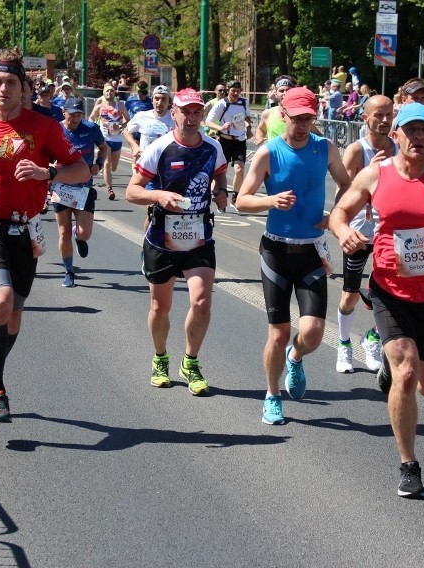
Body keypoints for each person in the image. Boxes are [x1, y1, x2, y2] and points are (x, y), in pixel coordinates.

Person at [328, 102, 424, 498]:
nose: (417, 137)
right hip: (389, 291)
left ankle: (388, 377)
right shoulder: (375, 175)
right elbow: (339, 212)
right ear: (395, 134)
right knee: (407, 373)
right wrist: (343, 232)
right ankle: (408, 464)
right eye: (409, 130)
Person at [0, 48, 90, 422]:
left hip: (25, 228)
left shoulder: (43, 126)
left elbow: (82, 170)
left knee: (14, 315)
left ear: (23, 87)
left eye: (11, 82)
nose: (4, 88)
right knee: (2, 300)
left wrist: (48, 174)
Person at [235, 87, 351, 425]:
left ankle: (296, 357)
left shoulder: (325, 148)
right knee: (278, 333)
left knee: (313, 331)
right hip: (276, 251)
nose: (302, 125)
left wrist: (336, 215)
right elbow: (242, 200)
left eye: (308, 119)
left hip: (313, 250)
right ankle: (272, 395)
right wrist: (271, 201)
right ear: (283, 114)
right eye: (296, 118)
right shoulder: (269, 153)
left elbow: (348, 184)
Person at [125, 88, 228, 396]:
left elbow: (220, 175)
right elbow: (132, 190)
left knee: (202, 301)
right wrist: (157, 195)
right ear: (174, 113)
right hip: (162, 238)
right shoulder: (160, 147)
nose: (192, 117)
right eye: (186, 111)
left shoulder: (212, 148)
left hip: (199, 236)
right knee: (161, 306)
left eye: (197, 112)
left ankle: (191, 362)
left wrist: (220, 192)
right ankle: (160, 358)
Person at [334, 95, 395, 374]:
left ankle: (371, 337)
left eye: (388, 115)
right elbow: (343, 192)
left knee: (393, 296)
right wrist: (341, 227)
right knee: (350, 296)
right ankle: (344, 345)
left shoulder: (398, 147)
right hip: (359, 232)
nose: (384, 120)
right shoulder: (357, 151)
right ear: (365, 118)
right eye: (378, 115)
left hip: (388, 233)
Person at [51, 97, 109, 288]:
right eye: (71, 115)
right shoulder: (55, 129)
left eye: (79, 115)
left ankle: (79, 236)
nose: (75, 119)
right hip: (61, 186)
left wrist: (98, 165)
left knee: (85, 233)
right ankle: (69, 271)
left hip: (84, 187)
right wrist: (51, 165)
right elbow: (43, 154)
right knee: (63, 231)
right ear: (63, 113)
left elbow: (103, 148)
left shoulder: (91, 128)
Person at [205, 80, 251, 208]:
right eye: (233, 91)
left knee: (240, 169)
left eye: (238, 91)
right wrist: (220, 127)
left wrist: (247, 127)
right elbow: (209, 121)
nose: (235, 93)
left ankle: (235, 196)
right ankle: (220, 194)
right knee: (221, 172)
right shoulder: (222, 104)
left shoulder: (244, 102)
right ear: (228, 91)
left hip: (240, 140)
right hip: (225, 141)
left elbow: (247, 118)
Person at [89, 83, 129, 200]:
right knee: (106, 164)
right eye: (107, 91)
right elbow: (91, 117)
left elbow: (128, 119)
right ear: (103, 93)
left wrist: (120, 127)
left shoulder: (120, 105)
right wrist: (95, 127)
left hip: (116, 139)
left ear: (114, 93)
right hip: (104, 138)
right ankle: (109, 189)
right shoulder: (99, 107)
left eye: (111, 91)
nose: (109, 93)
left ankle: (109, 174)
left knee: (114, 167)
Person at [122, 85, 174, 162]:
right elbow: (126, 131)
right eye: (156, 99)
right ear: (152, 100)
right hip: (145, 163)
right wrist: (134, 146)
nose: (159, 102)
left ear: (169, 102)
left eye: (164, 99)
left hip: (165, 163)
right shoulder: (142, 116)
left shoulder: (175, 118)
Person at [253, 75, 297, 146]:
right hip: (273, 156)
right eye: (281, 91)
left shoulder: (301, 114)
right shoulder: (268, 113)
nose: (284, 93)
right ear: (276, 94)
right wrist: (259, 137)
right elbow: (260, 129)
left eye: (288, 90)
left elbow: (317, 136)